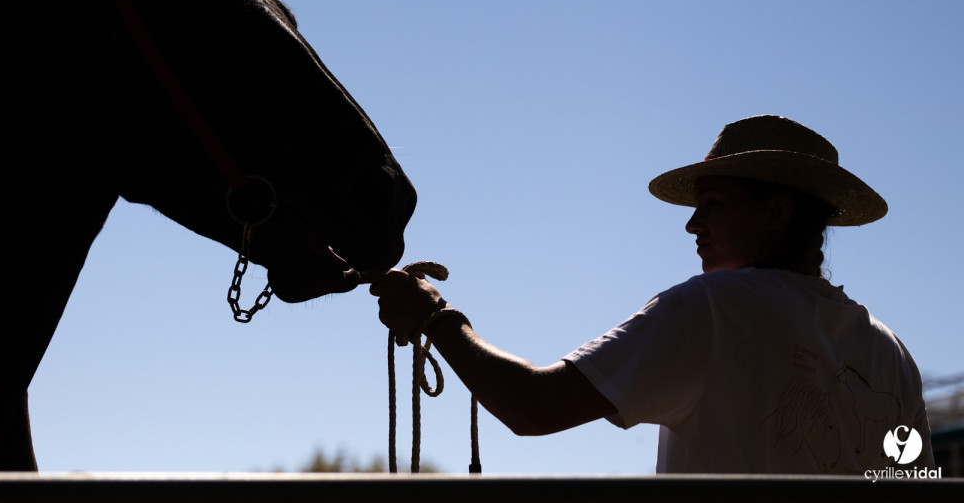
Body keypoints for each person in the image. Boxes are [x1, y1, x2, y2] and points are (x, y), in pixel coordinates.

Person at [370, 115, 934, 474]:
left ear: (776, 212)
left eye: (713, 205)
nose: (692, 225)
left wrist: (437, 317)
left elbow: (532, 406)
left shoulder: (717, 308)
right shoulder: (889, 352)